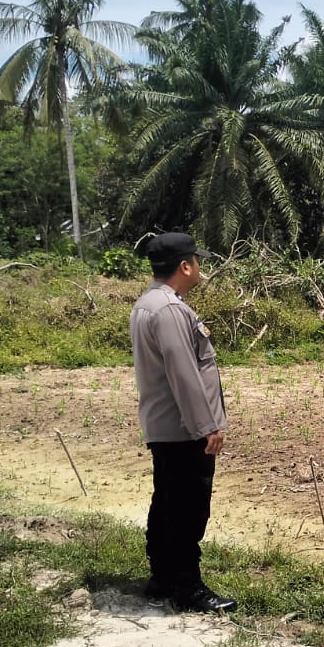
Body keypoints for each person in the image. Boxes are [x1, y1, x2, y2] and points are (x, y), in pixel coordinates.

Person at [130, 232, 237, 612]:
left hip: (165, 426)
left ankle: (162, 576)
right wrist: (207, 425)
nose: (200, 269)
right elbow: (184, 373)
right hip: (182, 429)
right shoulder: (171, 310)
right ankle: (187, 587)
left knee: (167, 502)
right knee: (189, 509)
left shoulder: (148, 305)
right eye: (197, 261)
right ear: (185, 266)